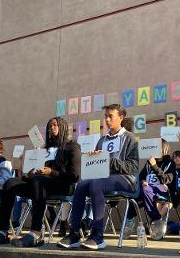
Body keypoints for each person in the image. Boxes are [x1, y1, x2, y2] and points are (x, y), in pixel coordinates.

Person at [0, 117, 80, 247]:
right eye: (50, 126)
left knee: (39, 181)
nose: (52, 128)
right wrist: (31, 174)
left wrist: (51, 172)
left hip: (62, 184)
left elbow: (75, 176)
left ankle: (36, 233)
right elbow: (37, 171)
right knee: (10, 183)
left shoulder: (72, 146)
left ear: (63, 127)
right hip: (40, 183)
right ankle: (3, 232)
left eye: (55, 125)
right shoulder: (45, 149)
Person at [57, 104, 139, 250]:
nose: (107, 120)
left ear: (121, 117)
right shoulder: (102, 140)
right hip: (103, 179)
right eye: (105, 116)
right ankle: (75, 233)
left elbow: (133, 167)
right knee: (81, 185)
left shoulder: (130, 138)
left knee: (97, 185)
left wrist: (110, 161)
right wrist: (91, 160)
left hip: (126, 180)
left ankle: (97, 236)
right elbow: (97, 165)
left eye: (110, 116)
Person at [124, 138, 175, 240]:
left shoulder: (170, 162)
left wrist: (155, 166)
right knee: (135, 193)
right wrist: (143, 181)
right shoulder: (149, 162)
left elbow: (167, 179)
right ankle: (129, 220)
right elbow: (141, 176)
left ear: (163, 149)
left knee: (146, 190)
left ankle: (155, 219)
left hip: (163, 191)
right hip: (147, 190)